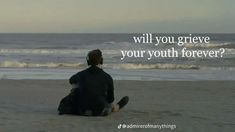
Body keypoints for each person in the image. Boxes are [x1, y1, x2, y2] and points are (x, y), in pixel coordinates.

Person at [58, 49, 129, 116]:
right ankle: (113, 108)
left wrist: (77, 90)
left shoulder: (81, 74)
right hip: (99, 109)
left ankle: (87, 108)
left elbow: (71, 80)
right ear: (101, 61)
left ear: (88, 61)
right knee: (106, 104)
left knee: (69, 98)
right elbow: (111, 99)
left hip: (82, 108)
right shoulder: (107, 77)